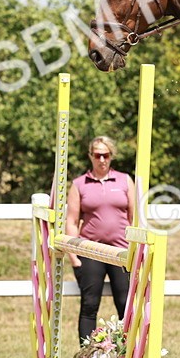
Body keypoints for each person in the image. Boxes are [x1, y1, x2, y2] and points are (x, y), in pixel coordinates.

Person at [66, 135, 136, 343]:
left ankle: (127, 353)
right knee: (89, 304)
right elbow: (71, 221)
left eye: (106, 155)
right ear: (91, 156)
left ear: (111, 156)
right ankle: (88, 356)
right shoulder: (79, 184)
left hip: (121, 252)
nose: (102, 160)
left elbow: (134, 218)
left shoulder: (125, 180)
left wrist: (134, 251)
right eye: (97, 155)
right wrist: (73, 257)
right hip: (91, 251)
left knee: (125, 303)